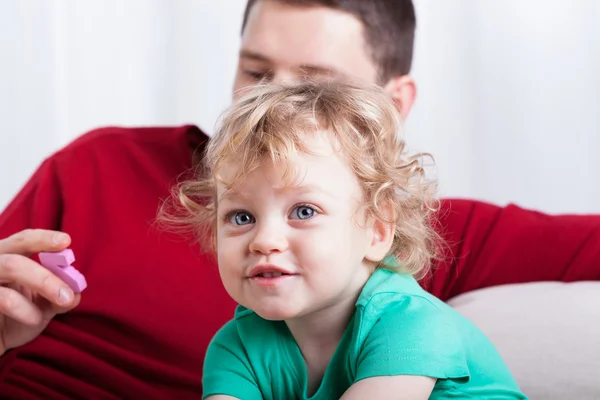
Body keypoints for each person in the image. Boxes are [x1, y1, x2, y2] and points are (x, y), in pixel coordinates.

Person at [0, 0, 597, 398]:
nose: (272, 105)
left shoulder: (415, 238)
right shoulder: (97, 163)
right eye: (257, 73)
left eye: (314, 84)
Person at [190, 81, 527, 399]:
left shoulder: (411, 323)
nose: (264, 240)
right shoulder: (236, 348)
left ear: (377, 230)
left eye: (304, 211)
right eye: (241, 217)